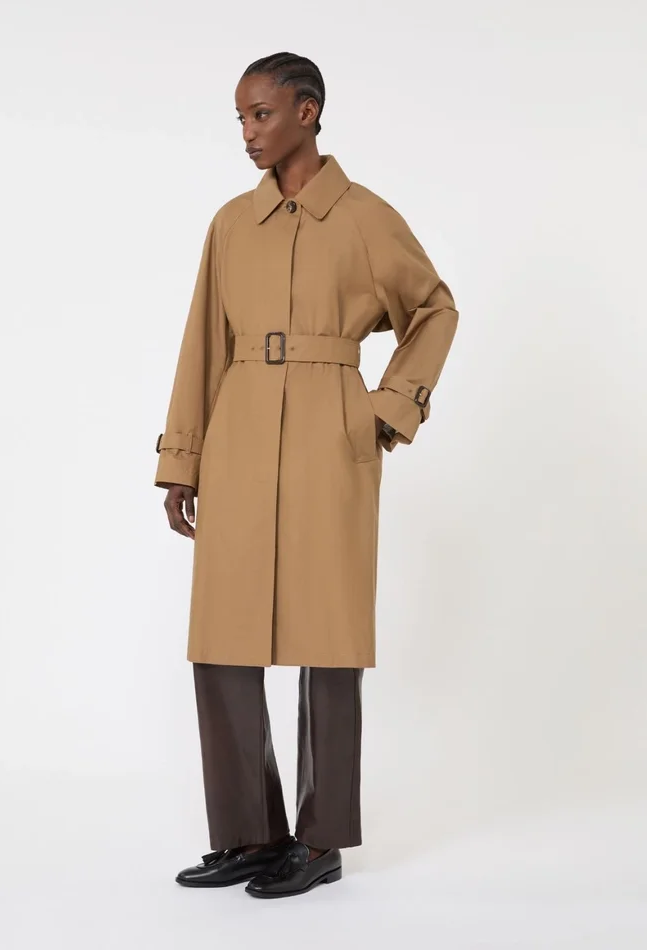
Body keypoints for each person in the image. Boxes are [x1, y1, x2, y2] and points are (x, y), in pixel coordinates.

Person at [153, 51, 459, 899]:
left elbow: (434, 308)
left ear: (307, 111)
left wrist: (389, 410)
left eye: (261, 114)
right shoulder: (230, 224)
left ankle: (319, 843)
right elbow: (202, 345)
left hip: (331, 435)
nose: (247, 133)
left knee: (328, 642)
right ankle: (249, 835)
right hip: (239, 434)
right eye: (240, 118)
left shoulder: (365, 218)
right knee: (221, 637)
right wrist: (182, 459)